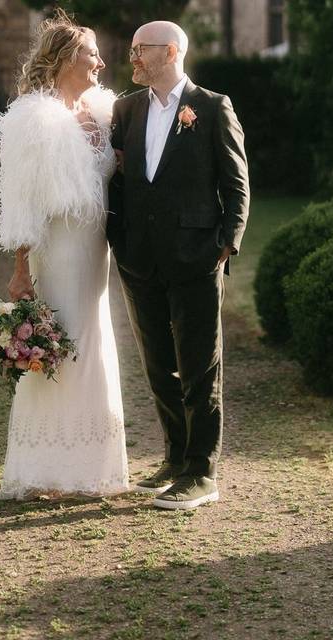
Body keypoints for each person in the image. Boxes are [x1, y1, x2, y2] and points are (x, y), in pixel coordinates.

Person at [108, 21, 250, 510]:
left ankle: (202, 472)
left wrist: (224, 246)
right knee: (157, 365)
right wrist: (118, 241)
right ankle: (173, 458)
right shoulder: (125, 110)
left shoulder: (211, 108)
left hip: (195, 257)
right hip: (139, 259)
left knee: (198, 366)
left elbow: (236, 186)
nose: (133, 58)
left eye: (139, 50)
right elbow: (116, 180)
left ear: (170, 52)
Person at [0, 11, 128, 500]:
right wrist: (20, 271)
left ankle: (90, 467)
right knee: (60, 348)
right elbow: (22, 200)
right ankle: (47, 469)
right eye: (92, 52)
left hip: (97, 253)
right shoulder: (33, 119)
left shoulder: (104, 112)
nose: (100, 61)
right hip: (61, 251)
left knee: (94, 343)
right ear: (68, 57)